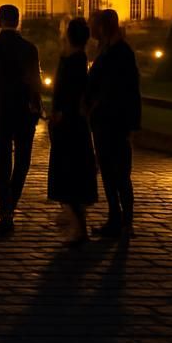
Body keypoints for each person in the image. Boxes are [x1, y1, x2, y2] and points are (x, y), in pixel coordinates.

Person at [0, 4, 43, 235]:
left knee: (2, 162)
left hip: (1, 112)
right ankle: (11, 204)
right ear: (18, 20)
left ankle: (6, 210)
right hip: (24, 112)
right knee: (22, 161)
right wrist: (37, 107)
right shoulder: (29, 48)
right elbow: (36, 82)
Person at [87, 8, 141, 238]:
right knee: (109, 172)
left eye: (93, 24)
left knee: (120, 174)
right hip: (103, 119)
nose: (90, 28)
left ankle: (126, 222)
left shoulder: (120, 52)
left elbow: (128, 90)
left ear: (102, 27)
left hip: (115, 120)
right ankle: (115, 218)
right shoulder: (106, 49)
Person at [47, 17, 98, 246]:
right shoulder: (73, 58)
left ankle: (79, 227)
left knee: (70, 174)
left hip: (70, 125)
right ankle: (75, 220)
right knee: (70, 173)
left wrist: (60, 113)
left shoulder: (74, 60)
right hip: (70, 122)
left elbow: (71, 92)